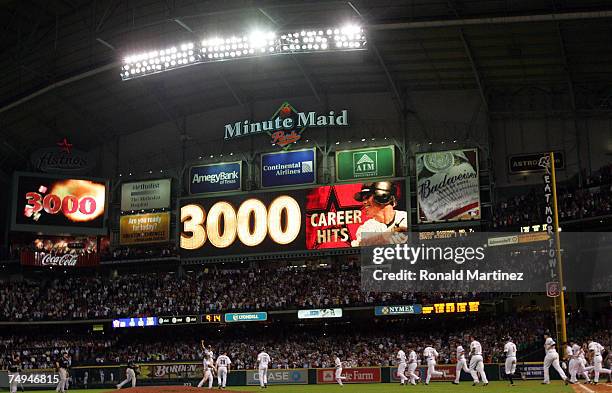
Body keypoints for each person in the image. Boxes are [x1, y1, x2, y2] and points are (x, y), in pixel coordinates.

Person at [351, 181, 408, 246]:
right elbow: (363, 244)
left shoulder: (406, 217)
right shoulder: (366, 227)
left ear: (383, 196)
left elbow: (422, 236)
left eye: (367, 197)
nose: (364, 202)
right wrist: (388, 235)